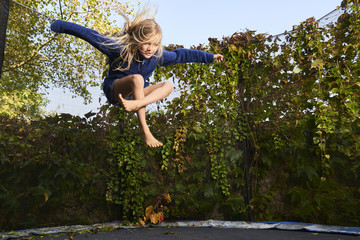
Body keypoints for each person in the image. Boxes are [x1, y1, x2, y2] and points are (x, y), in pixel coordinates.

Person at [51, 5, 223, 148]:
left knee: (168, 86)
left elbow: (180, 55)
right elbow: (89, 35)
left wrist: (208, 57)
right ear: (136, 39)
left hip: (135, 97)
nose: (150, 48)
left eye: (155, 44)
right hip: (116, 90)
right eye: (146, 43)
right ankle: (144, 130)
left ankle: (137, 104)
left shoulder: (157, 55)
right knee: (138, 79)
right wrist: (60, 25)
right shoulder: (119, 48)